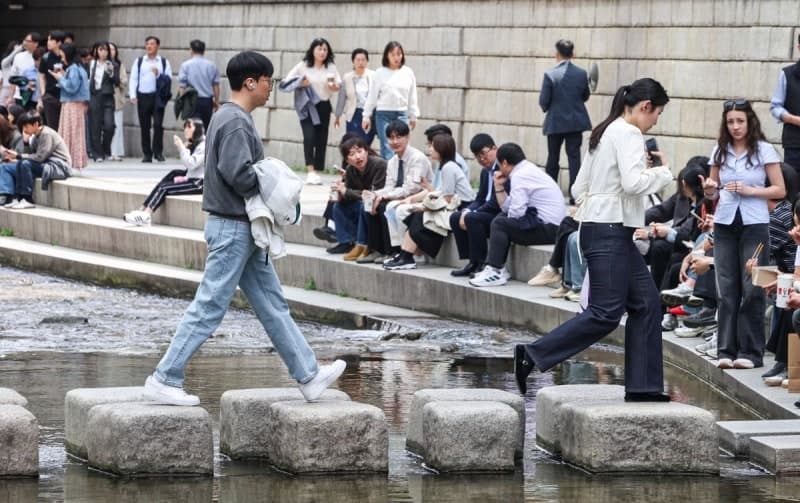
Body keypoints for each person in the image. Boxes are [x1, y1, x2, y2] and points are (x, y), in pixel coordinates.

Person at [142, 51, 345, 406]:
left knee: (272, 305)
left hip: (240, 228)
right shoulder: (235, 120)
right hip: (233, 228)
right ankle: (164, 378)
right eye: (268, 81)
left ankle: (309, 376)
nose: (271, 87)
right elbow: (238, 174)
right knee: (209, 306)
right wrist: (271, 180)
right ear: (250, 82)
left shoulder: (229, 117)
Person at [514, 78, 675, 402]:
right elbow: (633, 184)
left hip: (602, 229)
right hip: (610, 231)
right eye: (657, 114)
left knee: (647, 303)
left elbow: (578, 189)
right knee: (605, 313)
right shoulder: (629, 133)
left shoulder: (604, 131)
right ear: (646, 106)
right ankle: (531, 354)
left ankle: (644, 387)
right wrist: (663, 172)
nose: (655, 121)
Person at [702, 98, 784, 370]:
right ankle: (725, 350)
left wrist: (750, 191)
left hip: (755, 222)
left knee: (753, 287)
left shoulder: (764, 149)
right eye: (730, 122)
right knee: (726, 288)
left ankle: (751, 352)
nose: (735, 126)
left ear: (750, 121)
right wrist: (709, 190)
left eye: (740, 121)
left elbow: (780, 189)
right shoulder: (719, 150)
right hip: (725, 221)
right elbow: (713, 190)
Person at [469, 143, 566, 287]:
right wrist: (499, 186)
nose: (499, 169)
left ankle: (495, 270)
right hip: (550, 226)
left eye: (499, 165)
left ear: (505, 163)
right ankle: (497, 269)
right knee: (501, 218)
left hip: (550, 229)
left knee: (499, 223)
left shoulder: (519, 176)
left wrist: (502, 222)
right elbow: (508, 208)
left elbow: (516, 213)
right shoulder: (526, 170)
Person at [384, 134, 474, 270]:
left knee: (419, 215)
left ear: (441, 149)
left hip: (460, 208)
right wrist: (427, 189)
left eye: (433, 146)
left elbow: (448, 199)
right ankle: (405, 255)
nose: (430, 149)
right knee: (416, 214)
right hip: (453, 206)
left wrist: (425, 207)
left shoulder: (449, 167)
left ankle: (407, 256)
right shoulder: (445, 166)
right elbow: (444, 194)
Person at [362, 119, 431, 262]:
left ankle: (392, 251)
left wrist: (385, 196)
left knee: (384, 206)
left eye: (399, 137)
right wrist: (375, 194)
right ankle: (378, 250)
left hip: (418, 197)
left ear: (408, 137)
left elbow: (411, 188)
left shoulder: (417, 158)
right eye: (391, 138)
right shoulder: (393, 161)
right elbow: (389, 186)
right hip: (401, 197)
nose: (395, 142)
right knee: (370, 204)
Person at [124, 118, 206, 226]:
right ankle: (141, 210)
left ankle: (146, 215)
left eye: (189, 127)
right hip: (193, 177)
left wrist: (182, 147)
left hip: (199, 183)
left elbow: (191, 163)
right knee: (173, 174)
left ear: (197, 129)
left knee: (164, 187)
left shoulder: (203, 145)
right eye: (185, 127)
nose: (185, 130)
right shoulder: (196, 143)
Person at [283, 38, 341, 185]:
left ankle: (317, 171)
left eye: (325, 49)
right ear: (313, 50)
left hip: (324, 105)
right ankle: (310, 171)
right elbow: (288, 80)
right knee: (309, 136)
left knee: (321, 138)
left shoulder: (331, 67)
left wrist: (333, 86)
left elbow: (338, 85)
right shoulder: (303, 65)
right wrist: (301, 83)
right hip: (308, 106)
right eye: (319, 49)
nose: (322, 52)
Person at [540, 39, 592, 200]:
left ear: (557, 54)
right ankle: (574, 194)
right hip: (575, 122)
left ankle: (550, 193)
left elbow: (544, 101)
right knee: (574, 158)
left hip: (555, 122)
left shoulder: (550, 75)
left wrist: (548, 108)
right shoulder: (581, 73)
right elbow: (585, 96)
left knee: (553, 157)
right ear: (573, 54)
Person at [449, 134, 506, 277]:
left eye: (483, 154)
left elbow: (494, 203)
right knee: (456, 217)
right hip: (486, 211)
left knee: (472, 218)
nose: (481, 159)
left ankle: (481, 262)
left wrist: (471, 213)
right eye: (477, 156)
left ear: (494, 148)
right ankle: (471, 261)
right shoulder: (485, 172)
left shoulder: (502, 169)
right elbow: (480, 198)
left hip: (499, 213)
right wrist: (467, 210)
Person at [0, 111, 72, 208]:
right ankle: (9, 196)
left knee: (24, 164)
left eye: (26, 126)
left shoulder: (46, 134)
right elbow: (30, 155)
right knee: (5, 167)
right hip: (44, 164)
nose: (24, 129)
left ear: (36, 124)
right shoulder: (34, 137)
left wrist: (18, 156)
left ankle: (27, 199)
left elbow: (39, 157)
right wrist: (25, 143)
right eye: (23, 127)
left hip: (58, 167)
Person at [331, 135, 387, 258]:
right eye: (352, 154)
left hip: (379, 203)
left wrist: (346, 191)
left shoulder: (379, 164)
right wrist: (340, 193)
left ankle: (362, 244)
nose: (357, 157)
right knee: (338, 207)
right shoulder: (350, 170)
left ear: (366, 151)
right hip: (364, 203)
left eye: (360, 151)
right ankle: (347, 242)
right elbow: (349, 196)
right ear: (347, 160)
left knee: (364, 205)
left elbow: (374, 193)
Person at [362, 41, 419, 160]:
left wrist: (413, 115)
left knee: (402, 146)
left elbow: (412, 95)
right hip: (383, 114)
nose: (396, 57)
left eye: (399, 54)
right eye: (393, 54)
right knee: (387, 146)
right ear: (387, 55)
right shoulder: (380, 73)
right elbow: (372, 96)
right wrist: (366, 116)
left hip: (402, 114)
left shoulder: (408, 72)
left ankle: (401, 170)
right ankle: (389, 171)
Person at [129, 36, 172, 163]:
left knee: (158, 125)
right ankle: (147, 154)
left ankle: (158, 152)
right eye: (147, 44)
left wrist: (158, 74)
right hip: (143, 96)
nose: (149, 46)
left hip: (158, 97)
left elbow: (168, 79)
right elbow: (133, 78)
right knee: (144, 126)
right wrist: (132, 95)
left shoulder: (163, 62)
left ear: (157, 46)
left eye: (152, 44)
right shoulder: (139, 61)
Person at [51, 43, 89, 170]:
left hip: (71, 105)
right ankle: (75, 162)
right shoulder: (78, 68)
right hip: (76, 105)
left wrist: (60, 78)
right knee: (76, 134)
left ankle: (68, 161)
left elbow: (72, 87)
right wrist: (63, 76)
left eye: (63, 55)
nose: (62, 58)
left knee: (69, 134)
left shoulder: (73, 69)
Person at [770, 33, 800, 171]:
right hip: (795, 145)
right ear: (799, 47)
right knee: (793, 182)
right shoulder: (787, 74)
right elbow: (775, 106)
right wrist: (794, 119)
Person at [335, 48, 375, 145]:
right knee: (353, 143)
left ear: (367, 61)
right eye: (358, 60)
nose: (361, 62)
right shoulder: (347, 77)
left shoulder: (373, 75)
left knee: (366, 143)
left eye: (363, 60)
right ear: (353, 61)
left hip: (369, 114)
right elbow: (342, 98)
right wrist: (337, 116)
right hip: (354, 114)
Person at [87, 41, 120, 162]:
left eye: (106, 50)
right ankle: (97, 154)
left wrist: (111, 72)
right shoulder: (92, 64)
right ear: (97, 51)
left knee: (109, 125)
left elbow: (117, 82)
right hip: (94, 96)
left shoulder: (113, 64)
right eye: (101, 50)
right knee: (95, 126)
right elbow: (87, 80)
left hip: (107, 97)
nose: (103, 52)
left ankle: (106, 149)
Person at [178, 39, 220, 130]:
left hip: (191, 101)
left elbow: (182, 86)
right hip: (207, 101)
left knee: (193, 128)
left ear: (191, 50)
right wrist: (216, 101)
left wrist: (182, 102)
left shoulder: (185, 65)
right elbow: (216, 85)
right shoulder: (211, 65)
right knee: (207, 127)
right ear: (204, 51)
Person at [39, 31, 66, 129]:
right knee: (52, 126)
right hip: (50, 96)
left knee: (64, 127)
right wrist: (43, 93)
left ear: (59, 43)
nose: (48, 42)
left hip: (65, 96)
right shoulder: (46, 57)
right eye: (48, 40)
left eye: (51, 40)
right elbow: (41, 75)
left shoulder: (66, 57)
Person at [5, 32, 40, 107]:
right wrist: (10, 96)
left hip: (37, 97)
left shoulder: (41, 57)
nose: (24, 43)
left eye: (28, 41)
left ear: (36, 44)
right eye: (24, 40)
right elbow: (14, 77)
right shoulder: (18, 56)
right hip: (20, 96)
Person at [108, 42, 127, 161]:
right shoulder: (100, 64)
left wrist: (116, 79)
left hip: (116, 98)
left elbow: (124, 81)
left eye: (113, 49)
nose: (111, 52)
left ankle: (116, 151)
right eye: (109, 49)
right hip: (103, 98)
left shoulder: (119, 65)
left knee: (117, 125)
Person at [1, 41, 24, 105]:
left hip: (16, 91)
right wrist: (17, 50)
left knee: (13, 109)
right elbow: (9, 58)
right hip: (6, 88)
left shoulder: (19, 63)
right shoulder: (5, 63)